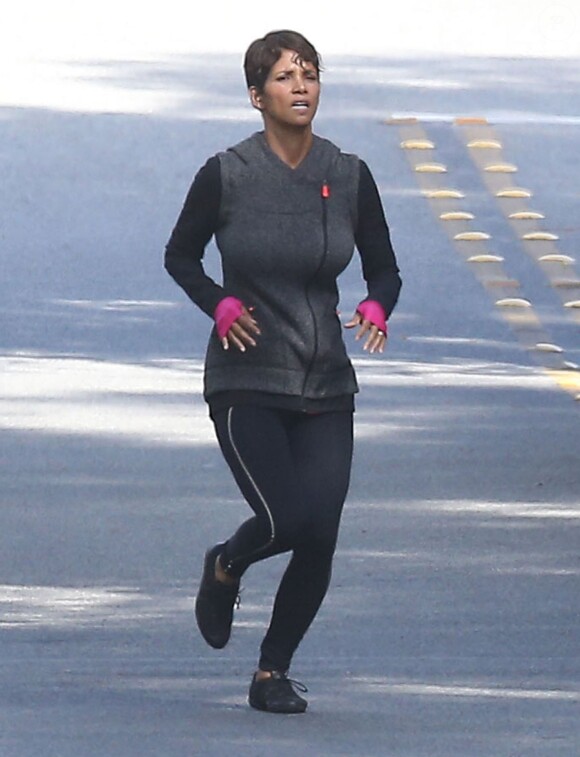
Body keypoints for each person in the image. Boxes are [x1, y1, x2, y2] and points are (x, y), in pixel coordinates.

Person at [164, 29, 401, 714]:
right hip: (246, 378)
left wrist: (378, 304)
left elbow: (384, 265)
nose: (301, 86)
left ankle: (272, 672)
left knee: (319, 530)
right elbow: (180, 254)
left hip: (326, 380)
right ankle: (226, 563)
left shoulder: (348, 173)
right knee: (287, 516)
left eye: (311, 74)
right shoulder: (227, 173)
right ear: (255, 95)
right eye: (284, 77)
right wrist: (220, 301)